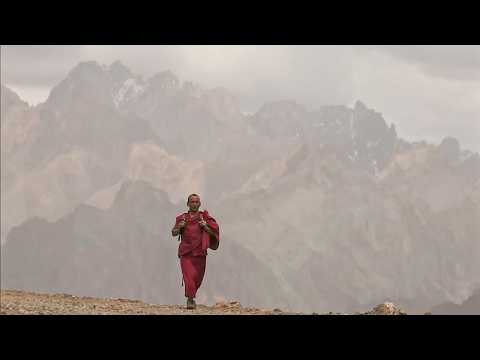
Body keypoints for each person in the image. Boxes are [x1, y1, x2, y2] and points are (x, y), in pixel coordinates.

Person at [171, 194, 220, 309]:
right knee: (189, 276)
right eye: (192, 202)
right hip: (186, 253)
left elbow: (214, 233)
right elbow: (173, 232)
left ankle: (192, 295)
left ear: (200, 204)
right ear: (188, 204)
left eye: (196, 202)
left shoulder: (204, 218)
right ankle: (190, 299)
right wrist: (179, 227)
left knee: (198, 278)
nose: (194, 204)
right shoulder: (182, 218)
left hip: (200, 252)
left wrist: (206, 226)